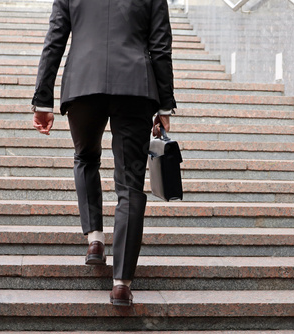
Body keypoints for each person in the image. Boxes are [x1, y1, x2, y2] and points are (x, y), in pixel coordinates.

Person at [31, 0, 177, 306]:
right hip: (135, 87)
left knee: (85, 158)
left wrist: (43, 99)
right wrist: (165, 105)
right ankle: (121, 283)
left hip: (84, 83)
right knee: (130, 185)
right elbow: (161, 46)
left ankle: (94, 239)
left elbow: (55, 38)